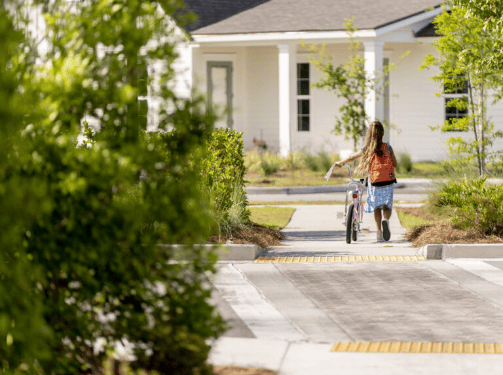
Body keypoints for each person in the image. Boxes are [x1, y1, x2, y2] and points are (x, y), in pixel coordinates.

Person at [333, 121, 398, 243]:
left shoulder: (368, 149)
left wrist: (341, 162)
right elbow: (394, 163)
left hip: (374, 182)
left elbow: (353, 157)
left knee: (377, 207)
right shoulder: (388, 147)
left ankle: (379, 233)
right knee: (387, 206)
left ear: (369, 134)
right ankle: (386, 221)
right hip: (388, 181)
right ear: (382, 133)